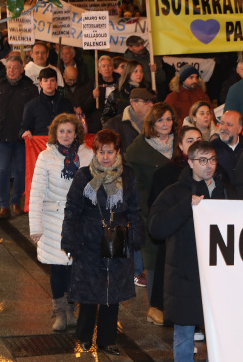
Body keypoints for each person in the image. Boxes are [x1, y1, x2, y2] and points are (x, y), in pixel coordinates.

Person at [61, 129, 144, 356]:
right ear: (95, 152)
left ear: (118, 152)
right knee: (89, 290)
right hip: (89, 237)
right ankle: (85, 337)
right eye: (101, 152)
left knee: (112, 290)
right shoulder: (83, 176)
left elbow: (135, 209)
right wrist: (69, 241)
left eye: (110, 151)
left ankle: (108, 340)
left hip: (117, 235)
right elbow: (72, 211)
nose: (105, 156)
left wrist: (136, 236)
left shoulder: (128, 175)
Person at [149, 140, 234, 361]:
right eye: (202, 160)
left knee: (218, 335)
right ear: (190, 162)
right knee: (185, 335)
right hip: (185, 275)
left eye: (213, 159)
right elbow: (156, 227)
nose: (209, 165)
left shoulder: (226, 191)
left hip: (219, 275)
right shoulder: (175, 193)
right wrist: (186, 206)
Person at [29, 113, 93, 332]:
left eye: (70, 131)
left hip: (79, 220)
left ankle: (71, 310)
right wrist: (36, 226)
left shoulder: (87, 155)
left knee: (75, 268)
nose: (66, 135)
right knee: (58, 269)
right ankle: (59, 311)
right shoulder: (45, 157)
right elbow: (36, 193)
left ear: (77, 133)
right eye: (62, 131)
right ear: (55, 133)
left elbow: (95, 189)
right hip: (53, 218)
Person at [145, 127, 204, 326]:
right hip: (174, 236)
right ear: (180, 145)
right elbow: (155, 207)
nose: (195, 143)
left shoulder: (214, 176)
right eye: (189, 140)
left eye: (198, 139)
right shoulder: (166, 172)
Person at [124, 102, 177, 322]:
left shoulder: (183, 145)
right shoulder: (138, 150)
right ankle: (155, 307)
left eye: (169, 119)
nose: (165, 124)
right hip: (151, 213)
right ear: (151, 123)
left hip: (181, 212)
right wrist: (148, 212)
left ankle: (176, 306)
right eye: (160, 120)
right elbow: (136, 186)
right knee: (154, 261)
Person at [0, 55, 38, 219]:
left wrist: (31, 132)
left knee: (21, 170)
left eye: (15, 67)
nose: (11, 71)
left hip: (22, 137)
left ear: (22, 69)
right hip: (2, 136)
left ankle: (16, 202)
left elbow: (34, 114)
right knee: (3, 171)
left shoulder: (30, 88)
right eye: (9, 67)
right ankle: (4, 206)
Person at [20, 67, 75, 139]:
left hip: (63, 145)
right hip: (40, 147)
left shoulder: (66, 104)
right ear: (41, 84)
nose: (49, 84)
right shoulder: (31, 106)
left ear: (56, 83)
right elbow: (23, 130)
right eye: (45, 81)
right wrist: (25, 133)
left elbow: (74, 125)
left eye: (52, 80)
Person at [103, 88, 155, 152]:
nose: (151, 105)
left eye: (152, 101)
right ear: (134, 104)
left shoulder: (156, 123)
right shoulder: (113, 126)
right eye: (146, 102)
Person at [102, 60, 153, 124]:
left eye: (141, 71)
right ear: (128, 73)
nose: (139, 74)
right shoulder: (117, 94)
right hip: (123, 129)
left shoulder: (149, 92)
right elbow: (106, 117)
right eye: (136, 71)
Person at [211, 110, 243, 182]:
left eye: (229, 125)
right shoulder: (211, 149)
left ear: (239, 129)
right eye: (222, 123)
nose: (224, 127)